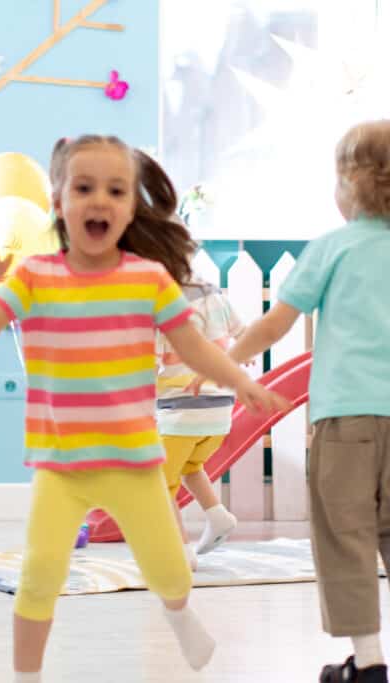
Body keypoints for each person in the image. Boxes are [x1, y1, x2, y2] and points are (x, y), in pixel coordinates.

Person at [0, 134, 289, 681]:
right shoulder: (35, 277)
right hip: (61, 464)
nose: (99, 200)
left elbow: (195, 348)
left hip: (134, 460)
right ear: (58, 202)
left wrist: (242, 382)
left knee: (168, 570)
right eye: (83, 187)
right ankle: (26, 676)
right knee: (40, 574)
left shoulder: (148, 279)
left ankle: (182, 617)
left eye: (115, 190)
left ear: (131, 207)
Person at [213, 120, 390, 683]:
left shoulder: (334, 249)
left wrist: (229, 358)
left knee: (346, 534)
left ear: (348, 187)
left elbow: (275, 323)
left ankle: (368, 664)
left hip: (348, 419)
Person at [157, 276, 243, 569]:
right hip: (220, 410)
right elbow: (243, 332)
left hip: (181, 411)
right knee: (190, 466)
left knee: (160, 483)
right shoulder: (215, 296)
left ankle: (180, 553)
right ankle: (218, 516)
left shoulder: (161, 306)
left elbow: (148, 360)